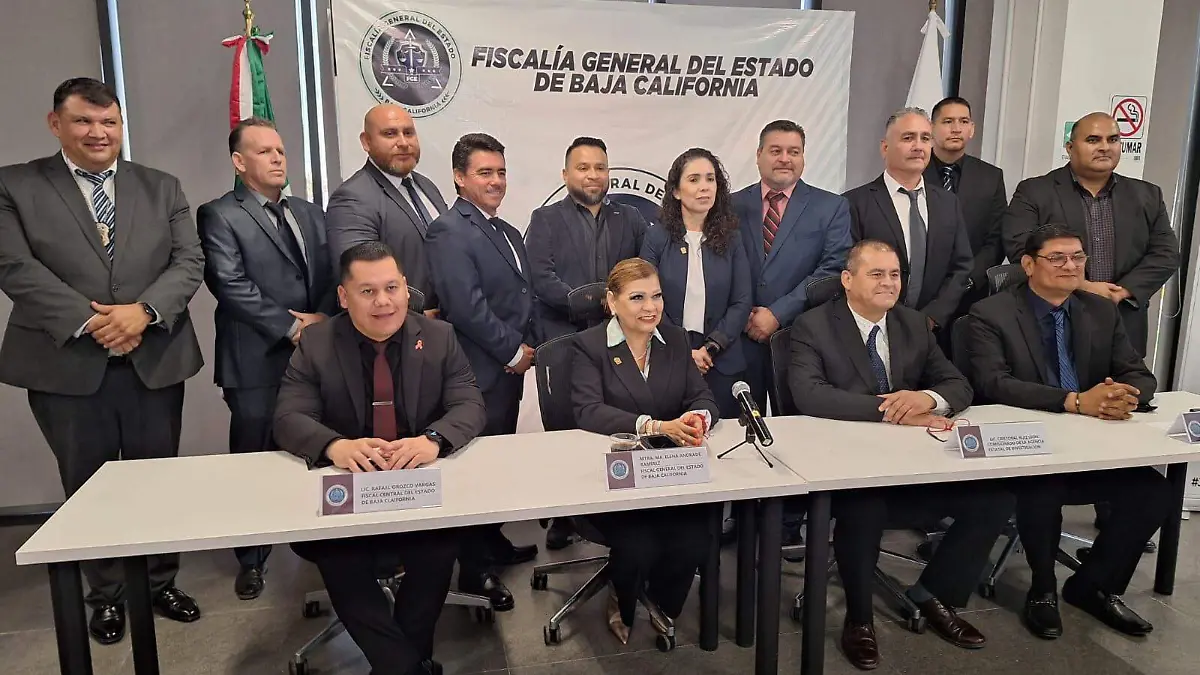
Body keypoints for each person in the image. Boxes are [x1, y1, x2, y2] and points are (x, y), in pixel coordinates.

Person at [0, 77, 204, 644]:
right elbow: (14, 266)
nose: (98, 132)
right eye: (84, 121)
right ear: (56, 124)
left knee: (156, 480)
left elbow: (189, 260)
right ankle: (107, 595)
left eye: (108, 121)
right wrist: (96, 323)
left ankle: (159, 582)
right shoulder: (15, 185)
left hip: (153, 358)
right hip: (66, 364)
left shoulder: (161, 186)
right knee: (87, 485)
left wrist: (143, 312)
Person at [789, 240, 1013, 670]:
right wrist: (892, 409)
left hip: (916, 462)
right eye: (877, 274)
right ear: (847, 279)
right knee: (864, 508)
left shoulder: (912, 323)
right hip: (848, 463)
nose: (889, 283)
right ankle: (859, 619)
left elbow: (958, 385)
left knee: (994, 498)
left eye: (894, 274)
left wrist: (926, 399)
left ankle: (933, 593)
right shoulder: (813, 326)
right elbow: (810, 394)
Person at [274, 242, 486, 675]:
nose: (384, 301)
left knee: (438, 547)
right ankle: (407, 667)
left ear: (407, 288)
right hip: (348, 486)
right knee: (339, 554)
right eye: (368, 291)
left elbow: (469, 404)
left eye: (392, 287)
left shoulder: (439, 337)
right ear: (343, 297)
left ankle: (397, 666)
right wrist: (336, 446)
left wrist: (433, 440)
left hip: (416, 482)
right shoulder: (317, 343)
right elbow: (288, 417)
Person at [965, 224, 1169, 640]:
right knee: (1043, 489)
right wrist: (1074, 401)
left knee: (1154, 492)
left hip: (1090, 441)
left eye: (1078, 257)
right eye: (1056, 257)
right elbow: (993, 383)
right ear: (1028, 264)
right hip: (1027, 444)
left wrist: (1121, 396)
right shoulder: (991, 314)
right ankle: (1042, 591)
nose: (1070, 266)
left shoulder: (1100, 310)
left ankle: (1095, 586)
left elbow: (1138, 373)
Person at [197, 117, 336, 599]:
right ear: (239, 162)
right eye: (264, 152)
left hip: (316, 356)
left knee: (315, 448)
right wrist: (293, 327)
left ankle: (316, 545)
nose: (277, 158)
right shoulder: (220, 214)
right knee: (254, 457)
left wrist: (323, 319)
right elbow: (229, 284)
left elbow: (330, 275)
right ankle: (252, 558)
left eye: (280, 150)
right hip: (255, 359)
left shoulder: (309, 212)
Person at [571, 257, 717, 644]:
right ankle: (622, 596)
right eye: (637, 297)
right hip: (616, 474)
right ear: (612, 301)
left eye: (657, 296)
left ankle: (663, 604)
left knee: (694, 538)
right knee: (638, 543)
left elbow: (702, 397)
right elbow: (587, 410)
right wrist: (654, 425)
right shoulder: (589, 346)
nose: (650, 307)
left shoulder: (676, 340)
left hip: (671, 470)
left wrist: (698, 418)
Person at [426, 133, 539, 611]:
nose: (496, 181)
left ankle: (492, 542)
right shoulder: (449, 230)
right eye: (485, 172)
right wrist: (512, 351)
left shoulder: (507, 230)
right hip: (477, 373)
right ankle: (476, 571)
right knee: (474, 472)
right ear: (459, 177)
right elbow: (465, 307)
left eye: (501, 172)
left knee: (497, 466)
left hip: (507, 376)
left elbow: (522, 296)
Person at [1001, 112, 1179, 357]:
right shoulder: (1035, 191)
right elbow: (1021, 248)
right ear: (1070, 147)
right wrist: (1081, 285)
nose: (1105, 147)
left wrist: (1123, 291)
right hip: (1052, 319)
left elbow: (1166, 253)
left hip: (1123, 321)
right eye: (1093, 140)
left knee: (1123, 382)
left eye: (1113, 139)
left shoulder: (1147, 195)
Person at [733, 119, 853, 412]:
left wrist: (778, 313)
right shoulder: (729, 206)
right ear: (759, 155)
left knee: (799, 428)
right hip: (738, 338)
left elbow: (833, 269)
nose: (785, 159)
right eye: (776, 151)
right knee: (739, 428)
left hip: (799, 338)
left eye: (794, 152)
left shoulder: (831, 207)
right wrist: (743, 313)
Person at [641, 148, 751, 419]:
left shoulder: (732, 238)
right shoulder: (656, 237)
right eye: (694, 180)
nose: (704, 187)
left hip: (721, 358)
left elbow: (741, 301)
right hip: (668, 355)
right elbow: (647, 299)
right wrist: (684, 351)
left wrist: (711, 348)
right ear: (676, 191)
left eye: (710, 179)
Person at [844, 107, 973, 337]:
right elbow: (849, 269)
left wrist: (932, 318)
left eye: (925, 138)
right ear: (885, 147)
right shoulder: (854, 203)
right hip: (872, 330)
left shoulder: (948, 202)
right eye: (908, 138)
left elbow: (961, 266)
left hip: (932, 332)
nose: (918, 146)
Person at [326, 104, 448, 314]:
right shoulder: (352, 198)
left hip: (448, 324)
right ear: (366, 141)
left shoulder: (427, 186)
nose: (403, 143)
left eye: (408, 133)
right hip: (402, 325)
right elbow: (362, 277)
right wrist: (417, 313)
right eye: (390, 134)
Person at [527, 136, 649, 342]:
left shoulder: (631, 217)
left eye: (600, 168)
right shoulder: (545, 219)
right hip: (565, 339)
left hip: (624, 337)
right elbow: (541, 278)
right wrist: (591, 303)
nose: (593, 175)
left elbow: (645, 271)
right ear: (565, 175)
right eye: (583, 168)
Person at [924, 97, 1007, 311]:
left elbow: (996, 239)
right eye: (948, 121)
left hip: (971, 293)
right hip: (920, 291)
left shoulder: (990, 176)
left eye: (963, 121)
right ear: (931, 128)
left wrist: (967, 280)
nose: (956, 129)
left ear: (972, 129)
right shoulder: (914, 173)